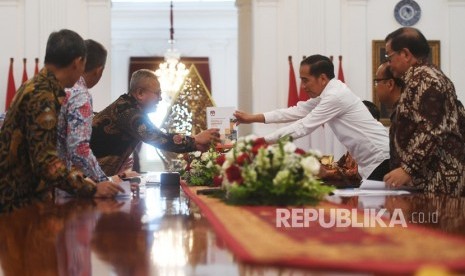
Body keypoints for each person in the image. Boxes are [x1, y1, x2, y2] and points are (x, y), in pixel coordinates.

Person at [0, 29, 123, 213]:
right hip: (19, 202)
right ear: (78, 62)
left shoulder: (34, 86)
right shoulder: (43, 95)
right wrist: (92, 187)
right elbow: (46, 163)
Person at [234, 54, 390, 181]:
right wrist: (252, 118)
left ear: (322, 78)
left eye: (305, 80)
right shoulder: (329, 92)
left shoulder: (335, 96)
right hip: (373, 161)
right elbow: (296, 111)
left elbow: (302, 126)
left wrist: (262, 142)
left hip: (381, 159)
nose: (303, 86)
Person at [90, 69, 220, 176]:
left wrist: (195, 144)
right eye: (157, 93)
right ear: (140, 93)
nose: (160, 98)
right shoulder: (127, 111)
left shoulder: (131, 108)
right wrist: (195, 140)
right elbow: (157, 137)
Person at [383, 27, 465, 196]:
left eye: (389, 57)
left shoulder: (424, 80)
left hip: (437, 181)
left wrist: (407, 169)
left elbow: (431, 130)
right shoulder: (424, 77)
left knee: (430, 222)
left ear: (405, 54)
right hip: (428, 178)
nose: (388, 64)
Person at [57, 39, 130, 185]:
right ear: (99, 70)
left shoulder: (51, 87)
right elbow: (79, 150)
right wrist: (103, 181)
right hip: (55, 182)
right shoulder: (79, 95)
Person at [319, 100, 382, 184]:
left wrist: (327, 173)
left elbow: (355, 173)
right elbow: (342, 164)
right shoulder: (359, 136)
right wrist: (319, 164)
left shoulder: (374, 138)